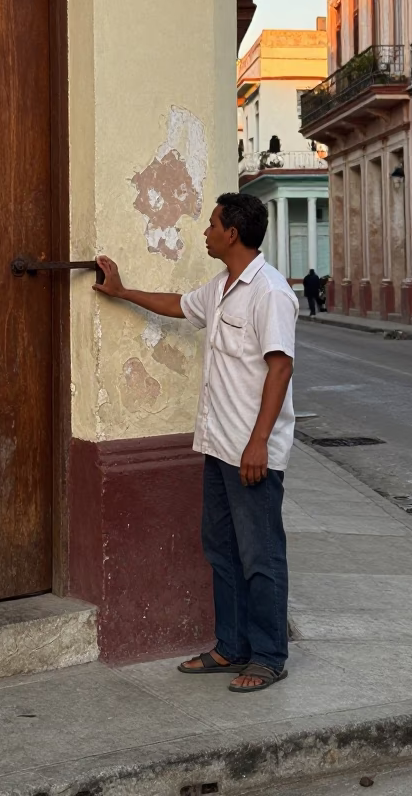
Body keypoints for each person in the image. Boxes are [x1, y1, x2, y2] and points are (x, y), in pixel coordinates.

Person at [94, 192, 297, 694]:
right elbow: (179, 306)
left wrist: (259, 444)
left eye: (211, 225)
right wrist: (121, 292)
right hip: (218, 445)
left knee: (261, 556)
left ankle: (269, 657)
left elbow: (281, 367)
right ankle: (231, 646)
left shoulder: (270, 292)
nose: (204, 232)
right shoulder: (224, 287)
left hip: (251, 454)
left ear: (232, 234)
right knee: (222, 551)